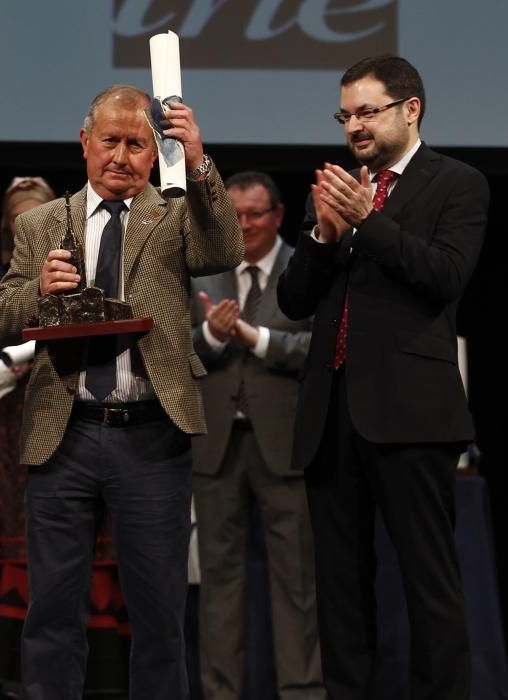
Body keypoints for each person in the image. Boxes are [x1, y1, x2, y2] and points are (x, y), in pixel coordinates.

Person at [0, 84, 243, 700]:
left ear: (155, 153)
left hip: (151, 437)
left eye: (137, 144)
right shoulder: (42, 223)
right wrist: (40, 293)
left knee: (158, 617)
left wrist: (200, 159)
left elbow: (225, 248)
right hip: (64, 435)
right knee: (51, 614)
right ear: (84, 143)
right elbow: (0, 313)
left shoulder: (176, 214)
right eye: (110, 142)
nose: (121, 157)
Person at [277, 55, 489, 700]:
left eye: (367, 112)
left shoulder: (457, 183)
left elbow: (444, 277)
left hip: (411, 415)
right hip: (332, 413)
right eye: (346, 116)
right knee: (338, 588)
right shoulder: (341, 187)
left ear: (410, 109)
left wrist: (369, 223)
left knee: (430, 583)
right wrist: (321, 232)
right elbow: (293, 301)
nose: (354, 127)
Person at [0, 175, 131, 697]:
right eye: (19, 221)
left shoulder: (96, 282)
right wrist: (26, 355)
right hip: (5, 437)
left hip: (76, 420)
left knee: (82, 554)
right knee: (18, 554)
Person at [190, 170, 324, 700]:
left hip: (285, 444)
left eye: (255, 215)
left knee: (297, 583)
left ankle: (302, 691)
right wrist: (210, 335)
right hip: (216, 445)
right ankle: (220, 693)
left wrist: (259, 338)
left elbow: (320, 349)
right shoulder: (205, 267)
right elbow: (177, 351)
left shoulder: (305, 267)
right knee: (219, 585)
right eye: (235, 215)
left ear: (278, 216)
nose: (244, 226)